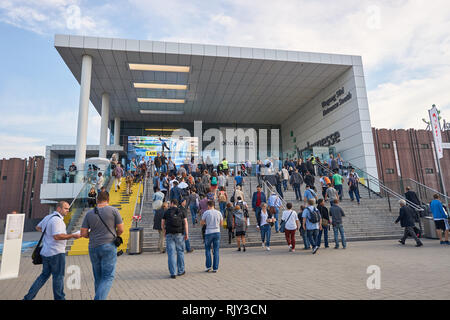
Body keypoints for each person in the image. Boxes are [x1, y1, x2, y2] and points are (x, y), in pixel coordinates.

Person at [23, 201, 80, 300]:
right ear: (58, 208)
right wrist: (73, 235)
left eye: (68, 208)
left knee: (43, 276)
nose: (68, 210)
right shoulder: (57, 221)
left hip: (46, 253)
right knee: (58, 277)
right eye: (66, 208)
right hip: (56, 253)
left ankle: (28, 298)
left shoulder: (47, 217)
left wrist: (48, 233)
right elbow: (57, 236)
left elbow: (38, 227)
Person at [80, 191, 124, 300]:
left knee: (98, 277)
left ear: (97, 200)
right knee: (108, 277)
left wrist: (93, 234)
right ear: (108, 200)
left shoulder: (89, 213)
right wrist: (114, 234)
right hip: (109, 245)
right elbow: (121, 229)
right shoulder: (114, 210)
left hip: (93, 247)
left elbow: (83, 233)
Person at [162, 199, 188, 278]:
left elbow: (162, 223)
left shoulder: (167, 211)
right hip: (179, 233)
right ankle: (181, 270)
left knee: (171, 253)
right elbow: (185, 223)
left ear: (172, 203)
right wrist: (186, 233)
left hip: (169, 234)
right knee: (180, 252)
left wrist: (164, 232)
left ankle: (173, 273)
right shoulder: (181, 211)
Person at [201, 200, 223, 273]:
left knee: (207, 249)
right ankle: (215, 268)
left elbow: (202, 223)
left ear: (208, 206)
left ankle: (208, 266)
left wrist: (206, 223)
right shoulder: (219, 212)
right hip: (217, 231)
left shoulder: (206, 212)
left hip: (209, 232)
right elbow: (221, 223)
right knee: (216, 250)